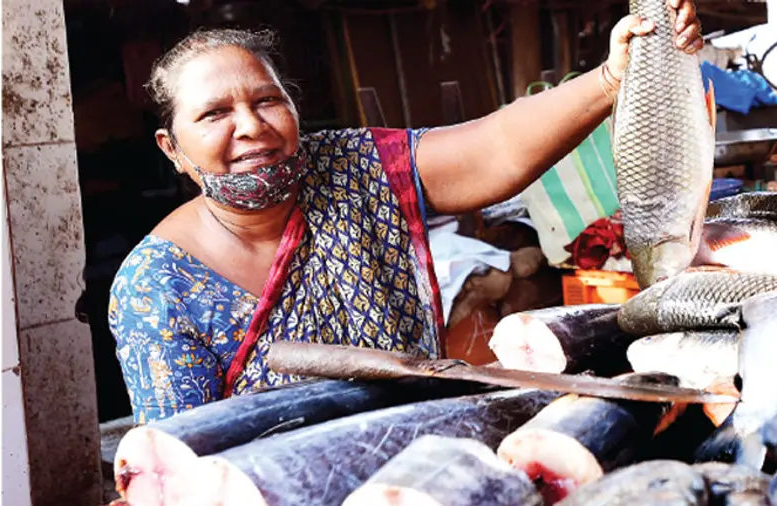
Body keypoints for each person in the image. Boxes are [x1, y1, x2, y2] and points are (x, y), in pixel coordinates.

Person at [109, 0, 704, 423]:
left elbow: (492, 149)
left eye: (268, 100)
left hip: (428, 461)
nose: (251, 127)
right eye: (214, 114)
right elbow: (179, 455)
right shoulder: (156, 286)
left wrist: (612, 77)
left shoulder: (353, 164)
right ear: (173, 149)